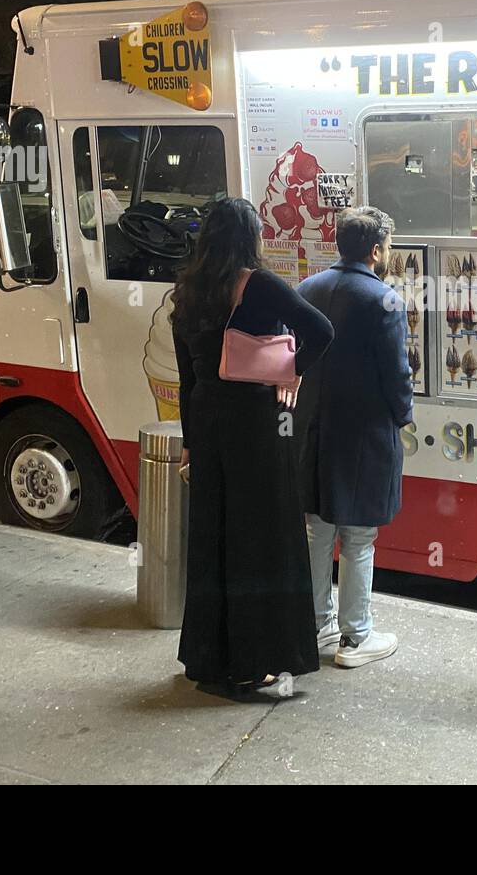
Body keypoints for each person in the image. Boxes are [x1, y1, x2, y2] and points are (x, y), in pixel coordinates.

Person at [171, 197, 334, 695]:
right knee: (263, 539)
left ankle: (211, 659)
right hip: (258, 424)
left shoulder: (188, 290)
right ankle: (254, 660)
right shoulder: (257, 284)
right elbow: (321, 331)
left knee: (214, 538)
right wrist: (293, 370)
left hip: (207, 421)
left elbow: (185, 377)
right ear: (250, 238)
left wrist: (190, 443)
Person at [297, 207, 413, 668]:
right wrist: (404, 415)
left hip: (312, 427)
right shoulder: (383, 299)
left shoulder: (307, 289)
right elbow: (396, 373)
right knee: (360, 536)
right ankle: (356, 638)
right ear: (376, 249)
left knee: (317, 528)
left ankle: (316, 623)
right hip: (363, 432)